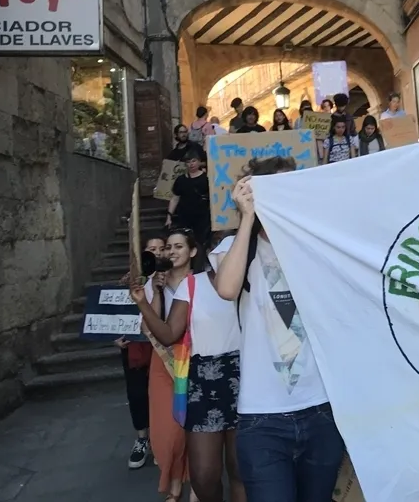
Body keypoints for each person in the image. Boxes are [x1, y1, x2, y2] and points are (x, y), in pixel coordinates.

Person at [209, 157, 345, 502]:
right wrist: (247, 218)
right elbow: (226, 288)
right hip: (262, 421)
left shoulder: (315, 246)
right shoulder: (239, 247)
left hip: (322, 411)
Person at [132, 230, 245, 502]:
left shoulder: (249, 282)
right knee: (204, 475)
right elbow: (170, 334)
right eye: (219, 251)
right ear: (210, 254)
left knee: (241, 469)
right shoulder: (192, 285)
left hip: (245, 377)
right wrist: (142, 302)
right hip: (202, 382)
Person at [134, 231, 196, 502]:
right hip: (163, 359)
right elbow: (152, 325)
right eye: (168, 247)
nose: (171, 251)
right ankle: (173, 480)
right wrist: (157, 290)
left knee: (194, 427)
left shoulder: (201, 282)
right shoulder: (153, 283)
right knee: (167, 430)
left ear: (192, 252)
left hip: (192, 358)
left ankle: (193, 487)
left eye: (178, 246)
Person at [116, 233, 166, 470]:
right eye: (151, 248)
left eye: (160, 248)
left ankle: (161, 438)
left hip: (164, 344)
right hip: (135, 347)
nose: (155, 252)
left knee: (161, 394)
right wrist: (115, 335)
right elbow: (112, 313)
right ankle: (142, 439)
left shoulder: (170, 278)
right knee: (137, 394)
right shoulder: (129, 280)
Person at [166, 148, 211, 250]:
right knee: (186, 241)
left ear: (199, 162)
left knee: (202, 242)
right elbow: (175, 198)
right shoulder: (181, 180)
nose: (191, 164)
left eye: (194, 161)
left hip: (203, 217)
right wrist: (169, 217)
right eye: (188, 162)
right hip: (185, 217)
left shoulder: (207, 178)